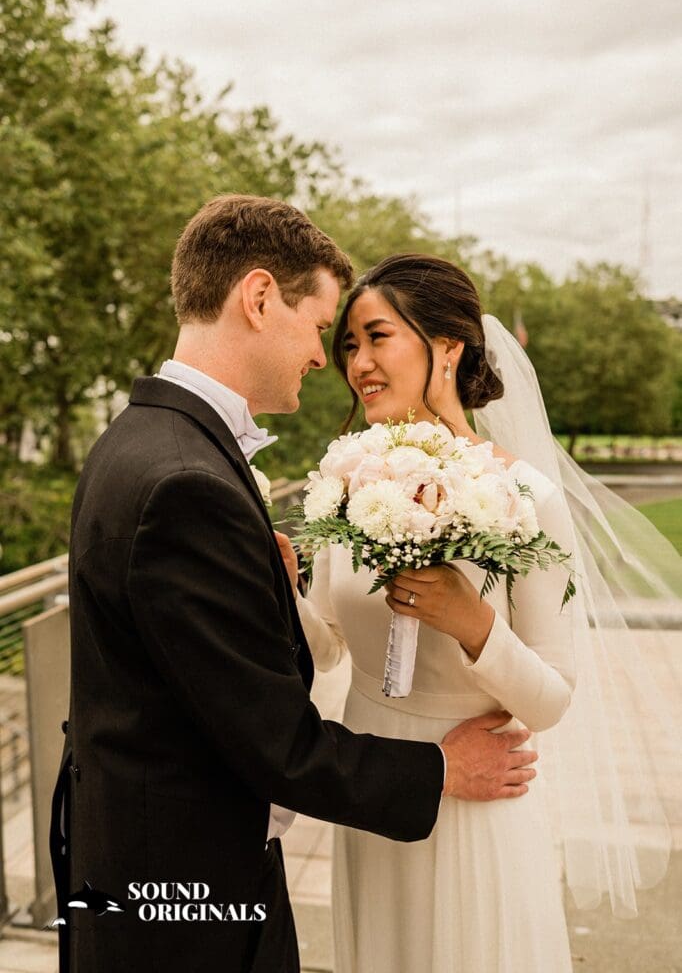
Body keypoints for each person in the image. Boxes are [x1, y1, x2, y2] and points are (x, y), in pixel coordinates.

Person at [49, 201, 539, 973]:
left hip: (149, 859)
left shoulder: (140, 437)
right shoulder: (186, 478)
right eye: (321, 328)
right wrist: (444, 768)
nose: (326, 359)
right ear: (257, 298)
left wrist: (280, 597)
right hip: (185, 897)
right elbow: (277, 742)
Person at [284, 253, 682, 973]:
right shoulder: (345, 483)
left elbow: (553, 696)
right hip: (376, 787)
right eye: (348, 344)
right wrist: (278, 589)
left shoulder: (526, 497)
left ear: (447, 347)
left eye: (378, 337)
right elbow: (328, 646)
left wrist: (474, 625)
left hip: (476, 794)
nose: (358, 362)